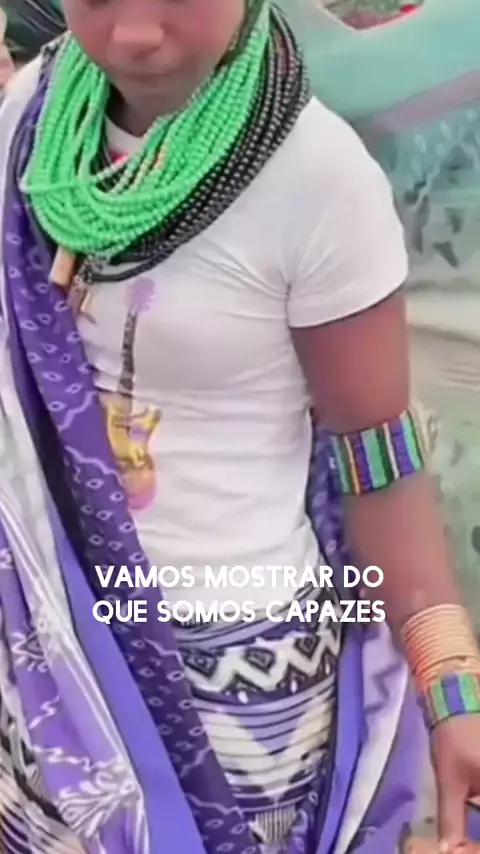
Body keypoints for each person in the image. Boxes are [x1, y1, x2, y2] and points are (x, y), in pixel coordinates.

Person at [0, 2, 480, 854]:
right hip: (48, 660)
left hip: (243, 695)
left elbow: (380, 463)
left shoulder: (317, 178)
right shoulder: (33, 121)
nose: (135, 33)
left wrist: (454, 690)